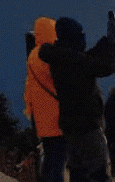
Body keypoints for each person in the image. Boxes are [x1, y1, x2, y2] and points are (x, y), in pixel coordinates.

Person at [38, 12, 115, 182]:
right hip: (87, 126)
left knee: (78, 172)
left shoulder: (61, 58)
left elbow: (87, 59)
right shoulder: (73, 61)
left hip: (70, 126)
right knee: (98, 173)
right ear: (73, 38)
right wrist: (113, 43)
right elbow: (106, 66)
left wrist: (106, 41)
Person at [24, 16, 65, 182]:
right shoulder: (50, 57)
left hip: (41, 118)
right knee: (59, 161)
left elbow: (29, 87)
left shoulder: (33, 56)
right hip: (57, 116)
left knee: (49, 158)